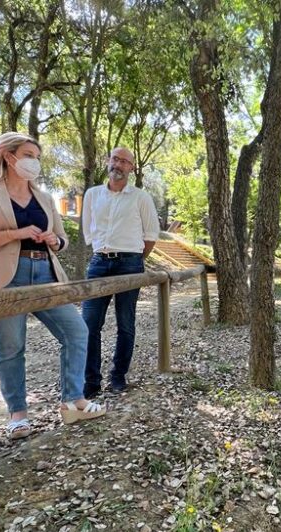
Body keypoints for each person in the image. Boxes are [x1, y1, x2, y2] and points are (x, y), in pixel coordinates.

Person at [0, 133, 105, 440]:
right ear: (8, 157)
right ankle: (18, 415)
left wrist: (55, 240)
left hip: (45, 274)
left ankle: (73, 400)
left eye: (37, 156)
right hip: (2, 278)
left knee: (77, 331)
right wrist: (13, 233)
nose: (33, 162)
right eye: (28, 154)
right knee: (11, 346)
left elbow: (62, 240)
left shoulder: (45, 197)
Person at [80, 148, 161, 397]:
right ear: (108, 161)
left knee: (125, 323)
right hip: (99, 263)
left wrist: (134, 259)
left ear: (132, 168)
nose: (119, 164)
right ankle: (91, 381)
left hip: (129, 263)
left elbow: (150, 236)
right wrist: (102, 252)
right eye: (115, 159)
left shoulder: (141, 198)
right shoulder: (92, 195)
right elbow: (88, 230)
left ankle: (118, 376)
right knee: (88, 325)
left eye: (125, 161)